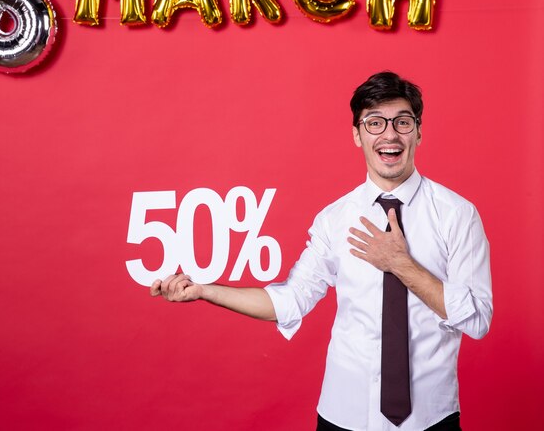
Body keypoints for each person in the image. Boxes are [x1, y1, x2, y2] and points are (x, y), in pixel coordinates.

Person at [150, 71, 493, 431]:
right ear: (357, 135)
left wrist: (401, 265)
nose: (389, 134)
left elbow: (478, 319)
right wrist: (204, 291)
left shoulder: (458, 215)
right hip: (342, 415)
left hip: (429, 418)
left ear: (419, 132)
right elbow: (289, 301)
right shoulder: (334, 219)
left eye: (402, 122)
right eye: (374, 123)